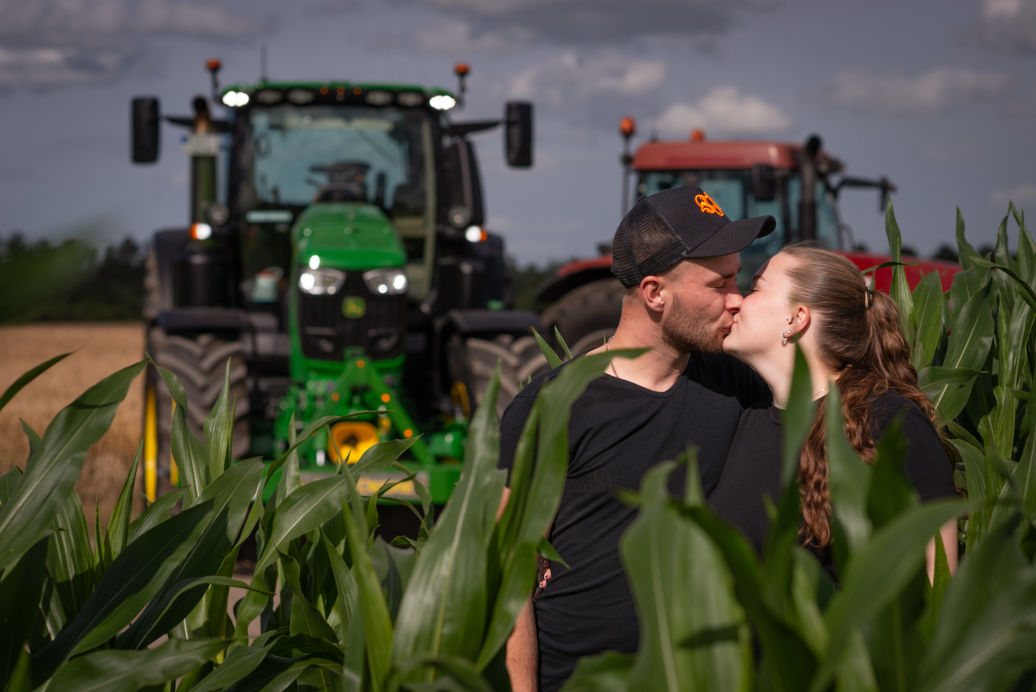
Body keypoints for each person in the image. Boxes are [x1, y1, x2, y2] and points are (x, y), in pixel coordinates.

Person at [498, 186, 775, 692]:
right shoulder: (556, 405)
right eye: (720, 283)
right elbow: (511, 573)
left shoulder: (740, 386)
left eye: (739, 280)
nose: (737, 300)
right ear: (654, 293)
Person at [713, 244, 958, 579]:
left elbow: (936, 587)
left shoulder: (890, 423)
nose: (737, 300)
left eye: (755, 288)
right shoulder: (748, 419)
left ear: (797, 318)